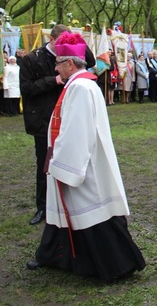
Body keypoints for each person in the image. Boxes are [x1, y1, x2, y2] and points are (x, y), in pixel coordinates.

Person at [25, 32, 146, 281]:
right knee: (66, 211)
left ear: (70, 63)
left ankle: (116, 265)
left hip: (82, 164)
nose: (55, 67)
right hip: (83, 159)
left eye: (58, 63)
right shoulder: (81, 84)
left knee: (89, 213)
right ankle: (53, 255)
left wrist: (63, 165)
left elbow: (76, 131)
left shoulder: (80, 87)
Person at [20, 24, 96, 226]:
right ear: (51, 40)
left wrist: (78, 40)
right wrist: (52, 80)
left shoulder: (74, 61)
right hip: (44, 119)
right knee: (44, 165)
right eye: (61, 41)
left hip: (69, 115)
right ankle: (43, 207)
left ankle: (69, 202)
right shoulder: (32, 59)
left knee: (71, 159)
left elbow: (89, 61)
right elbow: (26, 89)